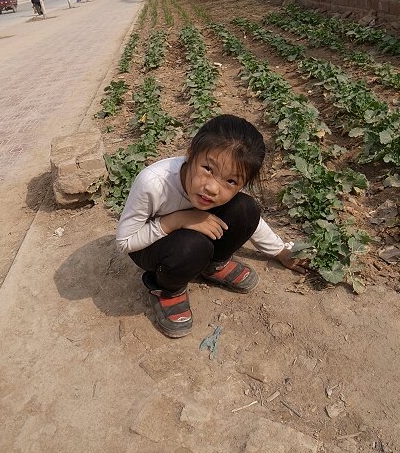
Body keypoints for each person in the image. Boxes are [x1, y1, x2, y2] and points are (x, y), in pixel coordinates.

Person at [116, 114, 309, 338]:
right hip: (151, 246)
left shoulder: (217, 191)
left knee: (246, 209)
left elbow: (251, 222)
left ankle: (213, 266)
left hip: (186, 237)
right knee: (193, 246)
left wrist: (280, 250)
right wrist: (177, 220)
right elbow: (124, 243)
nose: (212, 188)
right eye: (208, 168)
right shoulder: (154, 183)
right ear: (190, 154)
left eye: (231, 181)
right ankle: (168, 289)